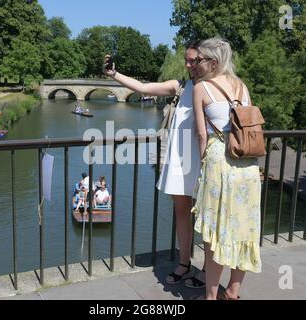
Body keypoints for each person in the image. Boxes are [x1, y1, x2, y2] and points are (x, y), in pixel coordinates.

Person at [103, 40, 207, 288]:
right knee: (182, 213)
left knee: (208, 217)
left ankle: (207, 272)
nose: (189, 64)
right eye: (187, 59)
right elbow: (143, 87)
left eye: (195, 60)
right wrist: (114, 74)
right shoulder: (180, 86)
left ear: (209, 61)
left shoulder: (216, 87)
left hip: (205, 161)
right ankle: (184, 263)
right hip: (182, 161)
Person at [191, 37, 262, 300]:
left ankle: (211, 296)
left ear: (213, 61)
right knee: (243, 228)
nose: (195, 64)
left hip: (219, 163)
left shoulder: (201, 88)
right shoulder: (241, 86)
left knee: (215, 232)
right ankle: (233, 291)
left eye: (199, 60)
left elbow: (201, 135)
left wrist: (202, 169)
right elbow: (249, 128)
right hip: (247, 166)